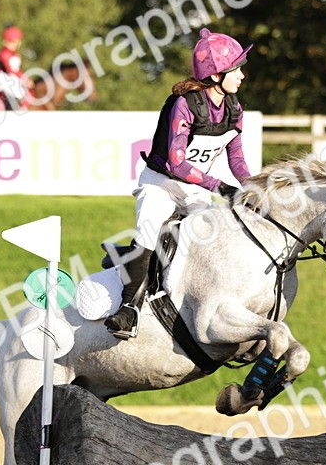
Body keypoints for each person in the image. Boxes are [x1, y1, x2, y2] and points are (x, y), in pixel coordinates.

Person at [105, 27, 253, 340]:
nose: (241, 75)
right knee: (148, 230)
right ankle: (128, 308)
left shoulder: (234, 108)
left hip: (197, 189)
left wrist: (252, 186)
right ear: (216, 75)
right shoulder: (184, 104)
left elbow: (237, 159)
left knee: (208, 239)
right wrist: (219, 186)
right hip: (161, 182)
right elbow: (177, 162)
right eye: (236, 69)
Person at [0, 25, 30, 111]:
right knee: (18, 92)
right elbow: (11, 70)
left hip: (9, 77)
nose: (18, 44)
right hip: (3, 78)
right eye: (15, 41)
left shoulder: (12, 53)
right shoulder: (5, 53)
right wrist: (25, 78)